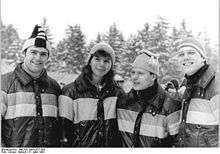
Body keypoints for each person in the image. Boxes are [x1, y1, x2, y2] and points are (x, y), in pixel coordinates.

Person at [1, 25, 61, 147]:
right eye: (33, 52)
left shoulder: (54, 87)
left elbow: (59, 127)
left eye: (43, 54)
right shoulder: (4, 83)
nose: (38, 58)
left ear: (48, 57)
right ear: (24, 53)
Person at [58, 42, 125, 147]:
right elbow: (63, 133)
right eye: (97, 59)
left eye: (106, 61)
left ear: (111, 65)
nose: (101, 64)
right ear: (89, 61)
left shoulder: (118, 93)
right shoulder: (70, 92)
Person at [117, 50, 181, 147]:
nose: (134, 77)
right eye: (133, 72)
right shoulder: (123, 103)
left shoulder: (170, 106)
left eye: (140, 73)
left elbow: (179, 144)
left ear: (153, 76)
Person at [173, 37, 219, 147]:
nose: (186, 57)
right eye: (181, 54)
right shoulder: (189, 87)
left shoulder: (215, 85)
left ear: (203, 57)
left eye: (191, 53)